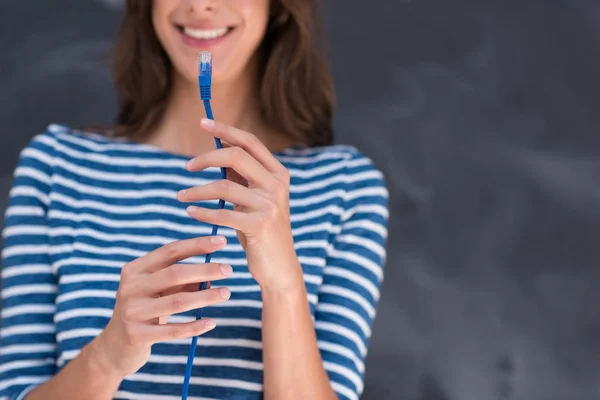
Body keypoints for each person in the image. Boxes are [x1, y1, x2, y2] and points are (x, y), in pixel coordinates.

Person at [0, 1, 389, 399]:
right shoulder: (57, 165)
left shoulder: (344, 186)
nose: (201, 5)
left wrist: (283, 284)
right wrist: (107, 358)